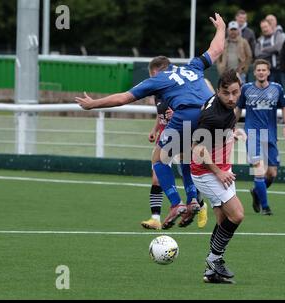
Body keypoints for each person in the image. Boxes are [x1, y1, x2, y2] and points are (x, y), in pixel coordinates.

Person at [75, 13, 226, 230]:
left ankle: (175, 203)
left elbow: (123, 98)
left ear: (155, 71)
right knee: (188, 156)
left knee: (158, 158)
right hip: (212, 116)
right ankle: (193, 199)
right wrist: (220, 28)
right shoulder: (192, 66)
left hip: (188, 115)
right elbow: (217, 49)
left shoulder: (157, 80)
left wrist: (93, 104)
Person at [191, 69, 245, 284]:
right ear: (218, 92)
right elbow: (196, 149)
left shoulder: (229, 105)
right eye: (226, 94)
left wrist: (234, 132)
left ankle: (211, 273)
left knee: (223, 220)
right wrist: (219, 172)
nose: (231, 98)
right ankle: (214, 259)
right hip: (207, 172)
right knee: (237, 215)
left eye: (235, 92)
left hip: (223, 169)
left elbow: (230, 121)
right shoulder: (211, 115)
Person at [141, 98, 208, 230]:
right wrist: (155, 130)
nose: (153, 75)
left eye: (154, 74)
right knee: (156, 179)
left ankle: (198, 204)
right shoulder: (157, 90)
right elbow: (160, 114)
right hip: (164, 138)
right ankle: (155, 219)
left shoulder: (176, 89)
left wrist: (176, 115)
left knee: (185, 170)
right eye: (151, 74)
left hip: (181, 132)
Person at [236, 59, 285, 215]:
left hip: (271, 135)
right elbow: (238, 109)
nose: (261, 72)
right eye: (258, 70)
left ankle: (257, 192)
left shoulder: (277, 89)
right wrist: (232, 127)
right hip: (252, 134)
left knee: (272, 173)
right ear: (254, 72)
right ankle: (265, 207)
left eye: (264, 70)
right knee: (259, 171)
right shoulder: (246, 89)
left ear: (268, 72)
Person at [255, 19, 285, 85]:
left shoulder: (277, 36)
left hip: (276, 70)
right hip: (263, 71)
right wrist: (272, 52)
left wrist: (264, 50)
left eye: (266, 27)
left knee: (277, 91)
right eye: (262, 28)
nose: (264, 29)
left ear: (271, 26)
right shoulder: (260, 40)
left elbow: (278, 48)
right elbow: (257, 54)